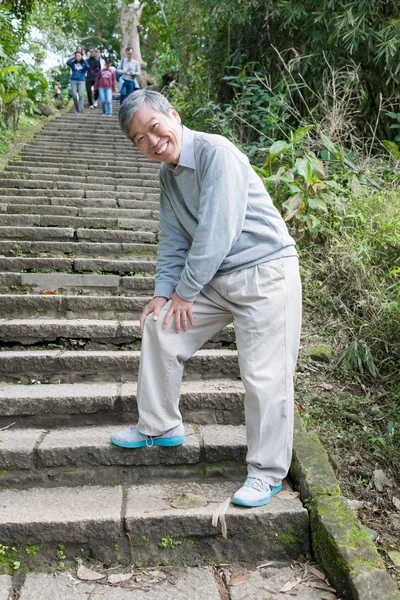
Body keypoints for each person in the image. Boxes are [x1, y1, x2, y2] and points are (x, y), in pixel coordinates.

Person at [111, 90, 302, 509]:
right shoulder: (168, 176)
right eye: (140, 138)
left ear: (173, 116)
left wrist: (184, 291)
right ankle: (159, 425)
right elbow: (174, 240)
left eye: (155, 127)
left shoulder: (218, 153)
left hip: (265, 272)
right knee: (161, 325)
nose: (153, 141)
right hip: (215, 280)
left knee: (265, 376)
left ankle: (266, 472)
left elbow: (218, 232)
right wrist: (163, 294)